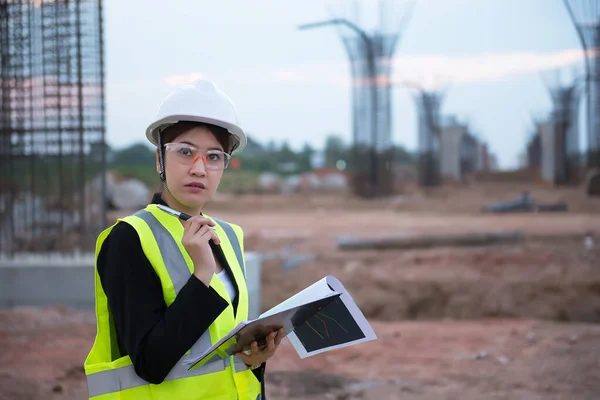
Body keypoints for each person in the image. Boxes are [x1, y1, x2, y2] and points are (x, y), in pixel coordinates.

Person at [84, 80, 284, 399]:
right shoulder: (129, 239)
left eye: (214, 157)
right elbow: (151, 363)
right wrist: (201, 275)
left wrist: (254, 362)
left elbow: (220, 350)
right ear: (160, 160)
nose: (199, 169)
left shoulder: (230, 236)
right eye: (186, 152)